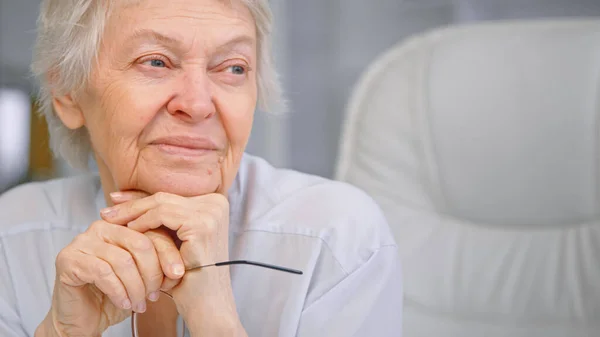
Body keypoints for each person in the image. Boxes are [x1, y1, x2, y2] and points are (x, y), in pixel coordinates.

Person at [0, 0, 403, 336]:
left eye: (233, 68)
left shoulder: (337, 238)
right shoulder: (12, 237)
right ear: (67, 93)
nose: (197, 104)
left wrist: (216, 322)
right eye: (156, 62)